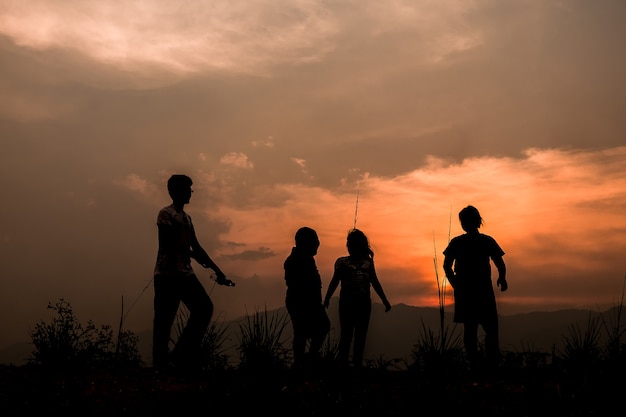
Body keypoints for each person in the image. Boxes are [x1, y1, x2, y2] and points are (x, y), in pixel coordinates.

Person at [152, 174, 235, 370]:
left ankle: (178, 356)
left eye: (190, 188)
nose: (190, 192)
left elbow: (197, 247)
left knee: (204, 309)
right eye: (187, 188)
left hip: (185, 273)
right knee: (165, 318)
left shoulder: (187, 218)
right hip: (167, 275)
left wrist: (218, 271)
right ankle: (162, 363)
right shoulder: (165, 214)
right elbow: (167, 244)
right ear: (175, 191)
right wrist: (191, 253)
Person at [443, 205, 507, 369]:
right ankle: (488, 363)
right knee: (488, 328)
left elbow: (446, 266)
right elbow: (499, 263)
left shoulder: (460, 242)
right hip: (480, 291)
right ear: (478, 221)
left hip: (470, 291)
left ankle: (478, 362)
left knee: (472, 328)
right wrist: (502, 277)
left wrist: (455, 283)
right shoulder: (485, 241)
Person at [324, 228, 391, 368]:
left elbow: (375, 282)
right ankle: (344, 364)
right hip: (348, 303)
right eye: (348, 243)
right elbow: (335, 281)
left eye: (351, 243)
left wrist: (385, 300)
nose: (348, 246)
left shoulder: (368, 262)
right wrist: (327, 298)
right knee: (347, 335)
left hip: (363, 303)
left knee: (360, 335)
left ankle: (356, 364)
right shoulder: (341, 262)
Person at [284, 226, 330, 368]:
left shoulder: (306, 259)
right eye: (315, 241)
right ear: (305, 243)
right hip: (302, 302)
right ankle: (303, 362)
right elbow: (297, 285)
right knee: (302, 332)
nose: (317, 244)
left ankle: (305, 360)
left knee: (309, 330)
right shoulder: (296, 260)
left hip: (308, 302)